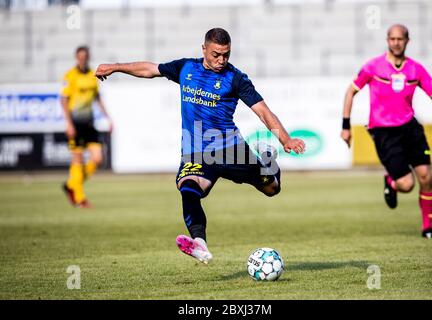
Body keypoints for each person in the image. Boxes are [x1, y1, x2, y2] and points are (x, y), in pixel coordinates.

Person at [95, 28, 305, 263]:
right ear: (204, 49)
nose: (221, 60)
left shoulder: (235, 78)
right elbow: (149, 69)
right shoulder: (186, 68)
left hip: (231, 149)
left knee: (271, 189)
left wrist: (285, 140)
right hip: (195, 152)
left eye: (226, 55)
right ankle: (199, 244)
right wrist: (115, 66)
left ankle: (268, 164)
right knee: (188, 187)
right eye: (216, 54)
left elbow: (262, 111)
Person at [341, 24, 432, 239]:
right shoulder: (373, 67)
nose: (396, 43)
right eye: (392, 39)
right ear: (387, 40)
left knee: (426, 176)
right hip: (384, 132)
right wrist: (345, 126)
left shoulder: (415, 69)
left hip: (410, 128)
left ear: (408, 40)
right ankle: (391, 182)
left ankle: (427, 228)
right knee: (407, 184)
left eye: (400, 39)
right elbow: (350, 92)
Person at [61, 46, 113, 208]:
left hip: (89, 123)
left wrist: (108, 117)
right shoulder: (70, 76)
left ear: (88, 57)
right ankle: (79, 197)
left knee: (97, 158)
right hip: (75, 123)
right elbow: (63, 100)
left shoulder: (92, 75)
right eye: (80, 57)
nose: (83, 59)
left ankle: (71, 184)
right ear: (77, 58)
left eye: (85, 56)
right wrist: (68, 123)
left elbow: (97, 98)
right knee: (77, 159)